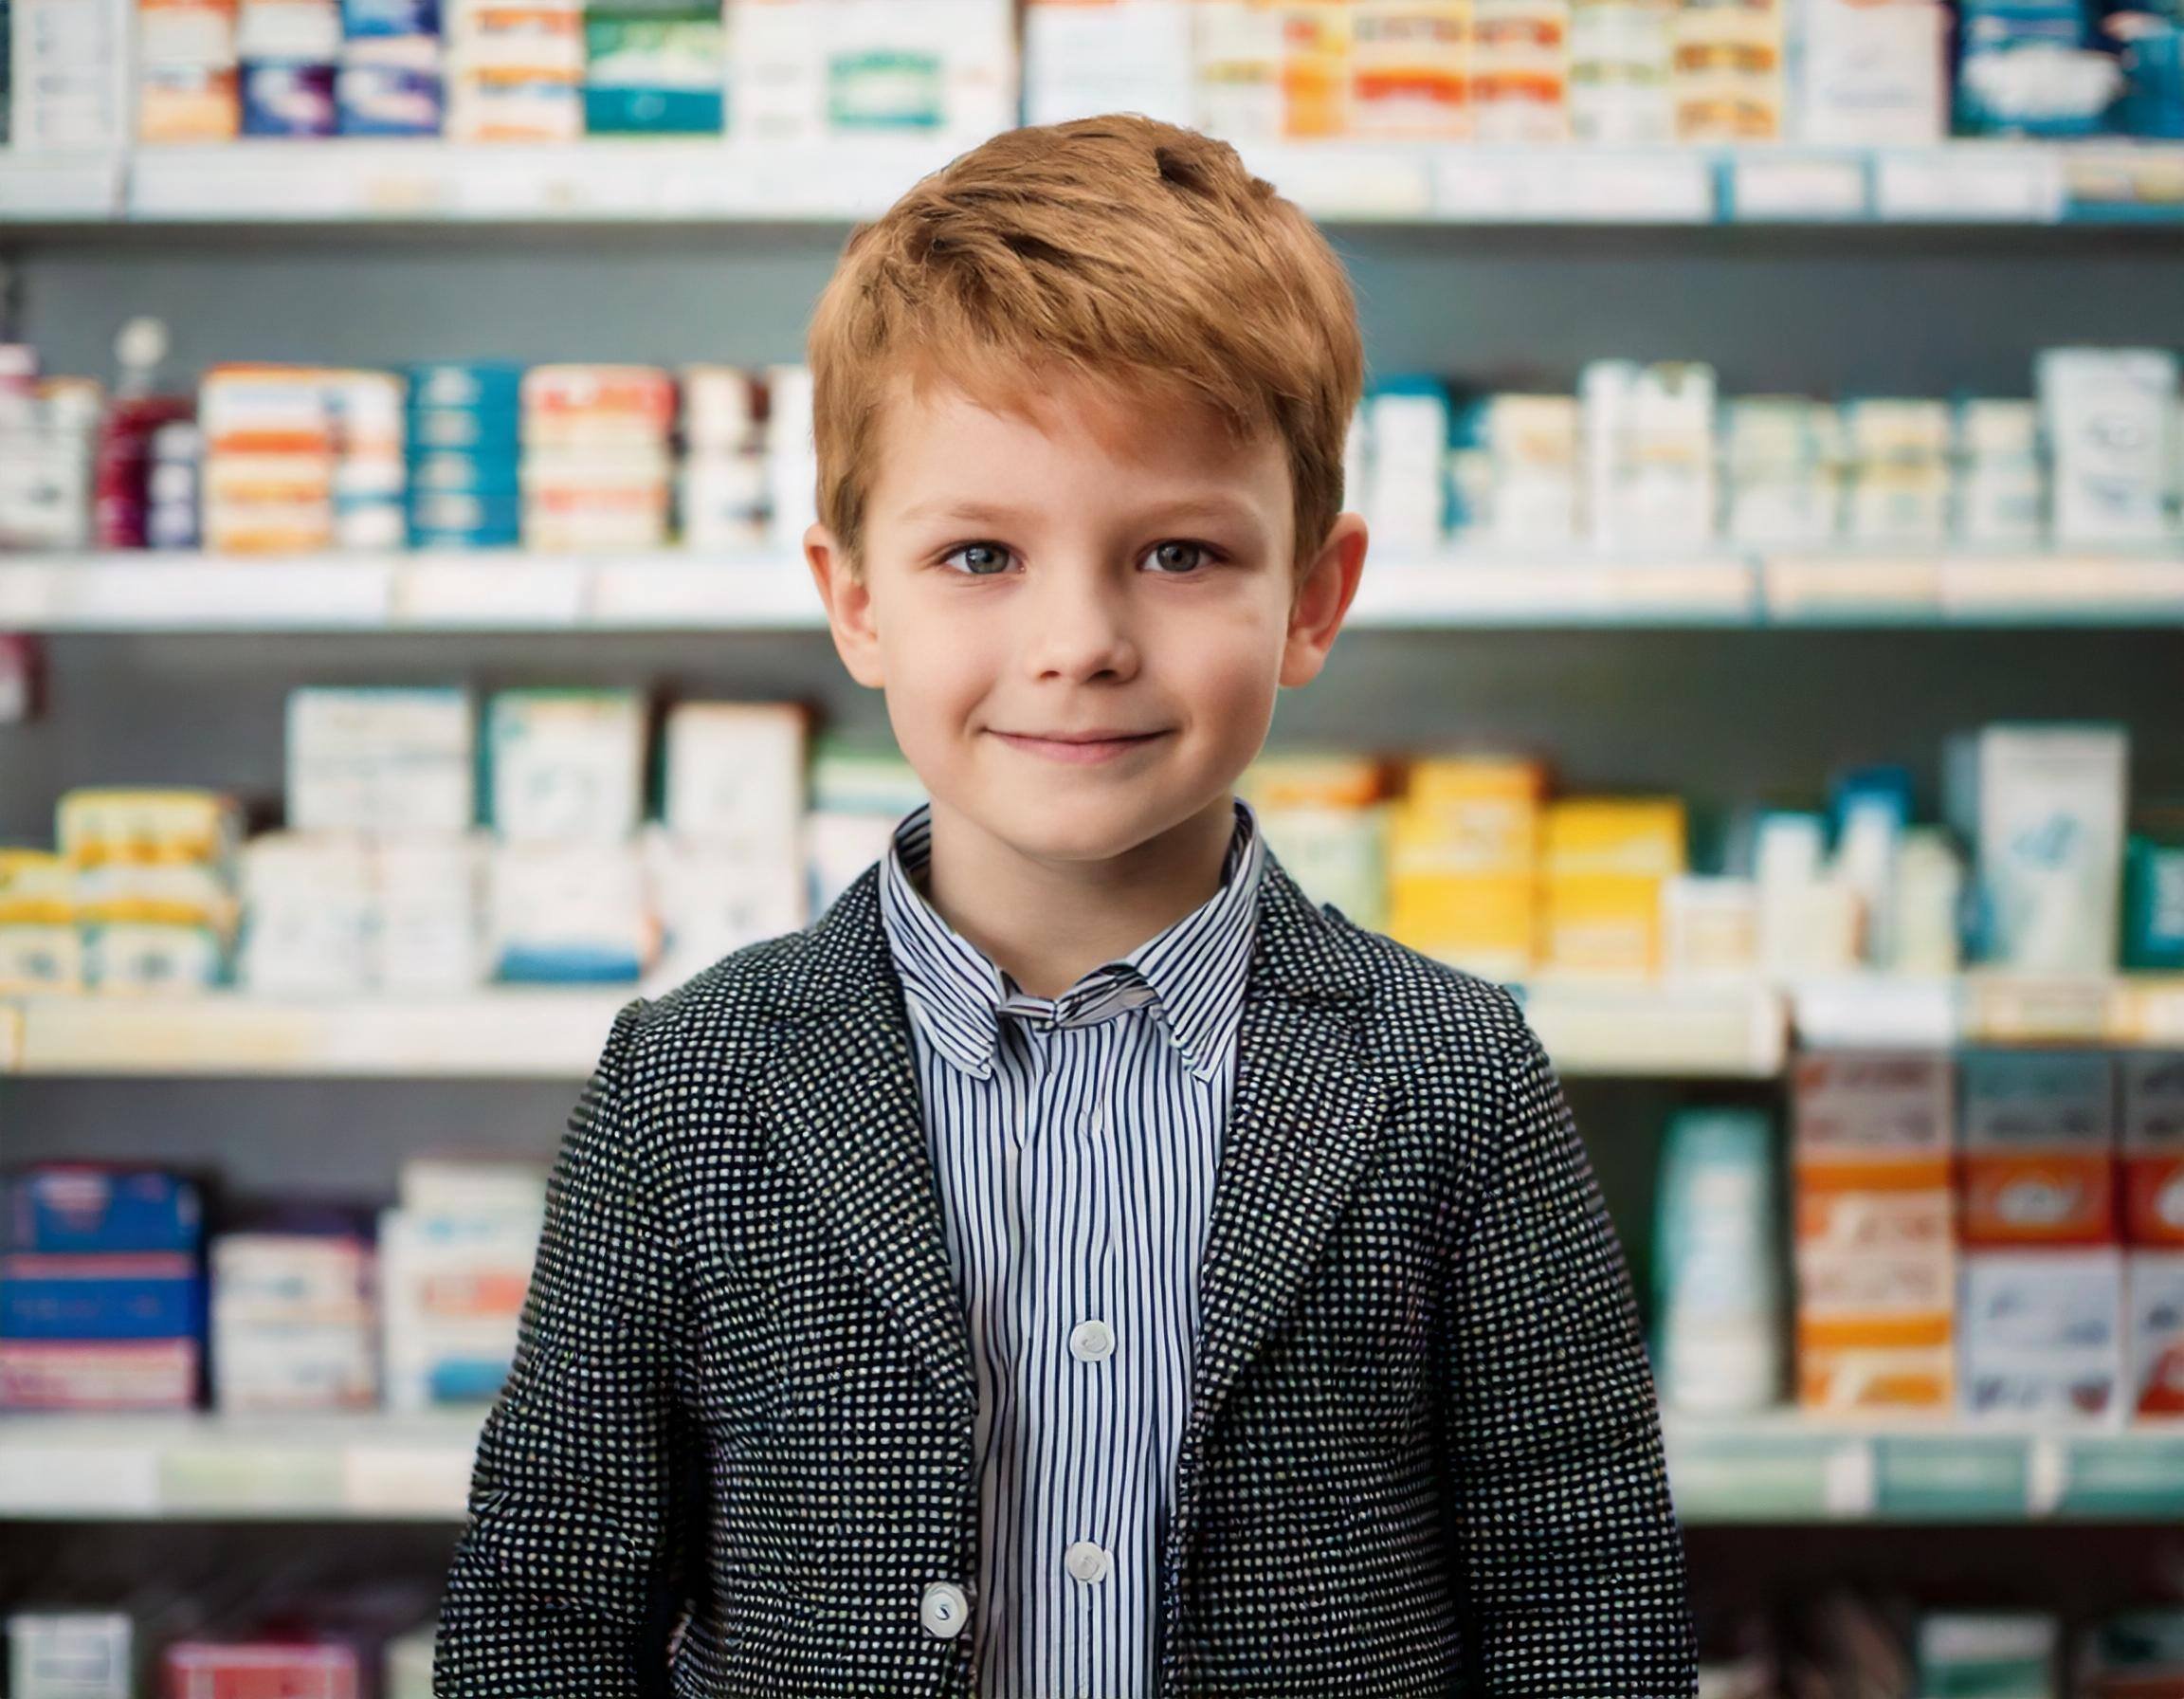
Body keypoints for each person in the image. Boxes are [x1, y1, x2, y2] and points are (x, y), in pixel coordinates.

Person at [435, 113, 1696, 1699]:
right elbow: (545, 1607)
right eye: (980, 554)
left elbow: (1587, 1600)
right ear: (855, 600)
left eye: (1178, 553)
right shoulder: (693, 1086)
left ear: (1312, 595)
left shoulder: (1456, 1078)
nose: (1080, 639)